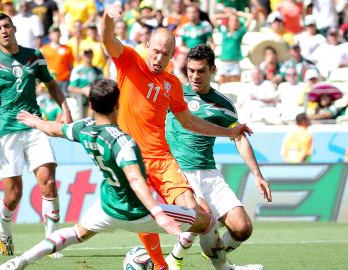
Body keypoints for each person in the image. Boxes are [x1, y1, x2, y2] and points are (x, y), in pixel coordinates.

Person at [0, 79, 224, 270]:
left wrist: (36, 122)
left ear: (91, 106)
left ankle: (19, 262)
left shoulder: (84, 128)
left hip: (106, 207)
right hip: (138, 213)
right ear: (117, 105)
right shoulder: (123, 142)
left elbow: (56, 129)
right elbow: (135, 179)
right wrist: (157, 212)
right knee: (208, 221)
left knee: (75, 233)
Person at [101, 4, 253, 269]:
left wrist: (228, 132)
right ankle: (161, 265)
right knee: (142, 213)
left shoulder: (171, 84)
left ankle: (182, 258)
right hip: (129, 157)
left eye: (166, 53)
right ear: (147, 46)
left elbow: (190, 121)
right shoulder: (129, 61)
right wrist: (107, 16)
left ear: (172, 54)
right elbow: (107, 39)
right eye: (156, 51)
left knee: (197, 213)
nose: (159, 58)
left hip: (161, 159)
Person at [0, 12, 72, 257]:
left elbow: (51, 84)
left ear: (14, 28)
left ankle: (51, 242)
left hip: (35, 126)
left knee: (48, 181)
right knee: (13, 195)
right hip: (5, 131)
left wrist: (65, 108)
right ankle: (4, 230)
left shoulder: (34, 56)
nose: (4, 31)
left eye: (7, 26)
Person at [165, 44, 272, 270]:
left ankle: (215, 253)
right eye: (191, 70)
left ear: (212, 70)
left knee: (243, 228)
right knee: (202, 213)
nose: (194, 76)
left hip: (209, 173)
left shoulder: (223, 105)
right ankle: (174, 258)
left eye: (201, 70)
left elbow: (239, 138)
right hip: (179, 171)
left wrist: (257, 175)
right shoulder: (175, 92)